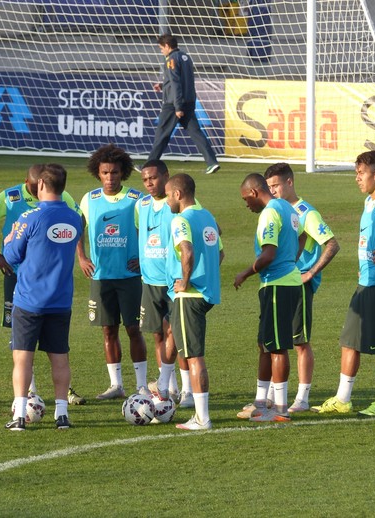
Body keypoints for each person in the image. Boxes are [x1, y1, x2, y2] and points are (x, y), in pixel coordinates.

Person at [312, 151, 375, 417]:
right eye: (356, 173)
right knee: (350, 340)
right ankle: (343, 398)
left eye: (361, 173)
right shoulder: (370, 202)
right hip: (366, 283)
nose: (357, 178)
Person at [0, 164, 86, 405]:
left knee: (35, 348)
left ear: (44, 185)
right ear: (27, 182)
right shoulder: (11, 196)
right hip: (33, 282)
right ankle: (39, 395)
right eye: (32, 188)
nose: (36, 193)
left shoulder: (45, 207)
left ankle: (31, 404)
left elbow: (14, 253)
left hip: (37, 284)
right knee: (35, 344)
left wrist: (79, 253)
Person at [3, 164, 83, 431]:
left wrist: (10, 238)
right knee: (60, 357)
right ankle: (62, 414)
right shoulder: (74, 218)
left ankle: (19, 415)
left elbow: (12, 256)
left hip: (29, 299)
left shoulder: (30, 217)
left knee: (23, 358)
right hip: (60, 300)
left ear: (40, 185)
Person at [264, 163, 340, 412]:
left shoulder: (306, 213)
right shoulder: (278, 210)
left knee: (300, 342)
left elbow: (332, 244)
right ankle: (276, 396)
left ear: (289, 182)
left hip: (299, 286)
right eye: (269, 187)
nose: (272, 190)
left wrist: (311, 272)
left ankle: (302, 398)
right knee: (276, 341)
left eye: (276, 185)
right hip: (281, 283)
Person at [77, 143, 149, 399]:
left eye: (115, 173)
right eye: (105, 173)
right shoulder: (90, 199)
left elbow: (150, 230)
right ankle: (116, 385)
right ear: (98, 173)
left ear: (123, 173)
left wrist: (144, 258)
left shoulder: (136, 199)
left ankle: (141, 385)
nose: (110, 178)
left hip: (129, 277)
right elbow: (78, 227)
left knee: (133, 329)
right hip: (100, 276)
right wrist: (82, 257)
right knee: (108, 330)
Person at [234, 173, 303, 422]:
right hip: (286, 282)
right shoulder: (288, 207)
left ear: (253, 192)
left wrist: (244, 273)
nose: (246, 205)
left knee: (277, 347)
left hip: (278, 284)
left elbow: (268, 254)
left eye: (246, 199)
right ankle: (261, 403)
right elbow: (302, 234)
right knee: (265, 343)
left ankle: (280, 409)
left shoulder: (270, 212)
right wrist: (292, 259)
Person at [161, 173, 223, 430]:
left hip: (190, 296)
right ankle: (170, 389)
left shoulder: (181, 220)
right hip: (206, 293)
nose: (166, 201)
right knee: (186, 347)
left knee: (195, 357)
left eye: (167, 195)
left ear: (177, 194)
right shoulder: (207, 215)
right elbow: (220, 253)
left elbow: (187, 251)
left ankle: (202, 418)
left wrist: (186, 281)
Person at [137, 159, 193, 408]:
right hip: (150, 281)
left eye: (153, 178)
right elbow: (142, 232)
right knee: (159, 335)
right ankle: (168, 388)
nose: (149, 183)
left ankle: (189, 390)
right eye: (145, 179)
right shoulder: (141, 205)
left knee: (177, 337)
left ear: (166, 176)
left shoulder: (181, 206)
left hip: (174, 282)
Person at [146, 33, 220, 175]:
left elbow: (176, 83)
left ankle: (149, 165)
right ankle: (212, 162)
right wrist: (163, 85)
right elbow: (182, 80)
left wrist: (178, 107)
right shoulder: (185, 57)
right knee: (196, 133)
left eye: (161, 48)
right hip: (189, 100)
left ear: (167, 46)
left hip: (174, 103)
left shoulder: (171, 60)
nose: (161, 51)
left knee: (162, 134)